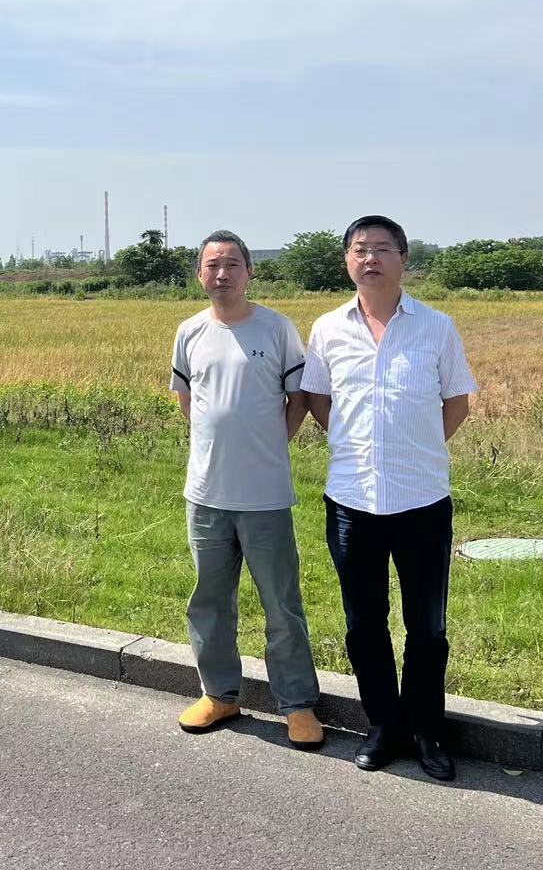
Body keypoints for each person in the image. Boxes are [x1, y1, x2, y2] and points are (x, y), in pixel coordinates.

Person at [300, 215, 477, 781]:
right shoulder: (327, 329)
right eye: (360, 249)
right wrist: (358, 445)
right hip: (351, 499)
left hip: (422, 500)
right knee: (363, 622)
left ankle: (426, 730)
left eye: (382, 248)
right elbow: (318, 400)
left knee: (427, 626)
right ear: (347, 261)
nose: (370, 258)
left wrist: (414, 448)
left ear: (404, 259)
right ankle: (382, 725)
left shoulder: (437, 327)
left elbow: (457, 402)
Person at [169, 231, 323, 749]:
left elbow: (299, 399)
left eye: (233, 264)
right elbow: (189, 400)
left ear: (249, 272)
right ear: (200, 274)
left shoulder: (277, 328)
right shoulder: (190, 331)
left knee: (282, 604)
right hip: (206, 494)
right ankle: (220, 694)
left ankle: (297, 704)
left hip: (265, 496)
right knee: (209, 601)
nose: (222, 273)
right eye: (212, 265)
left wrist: (269, 445)